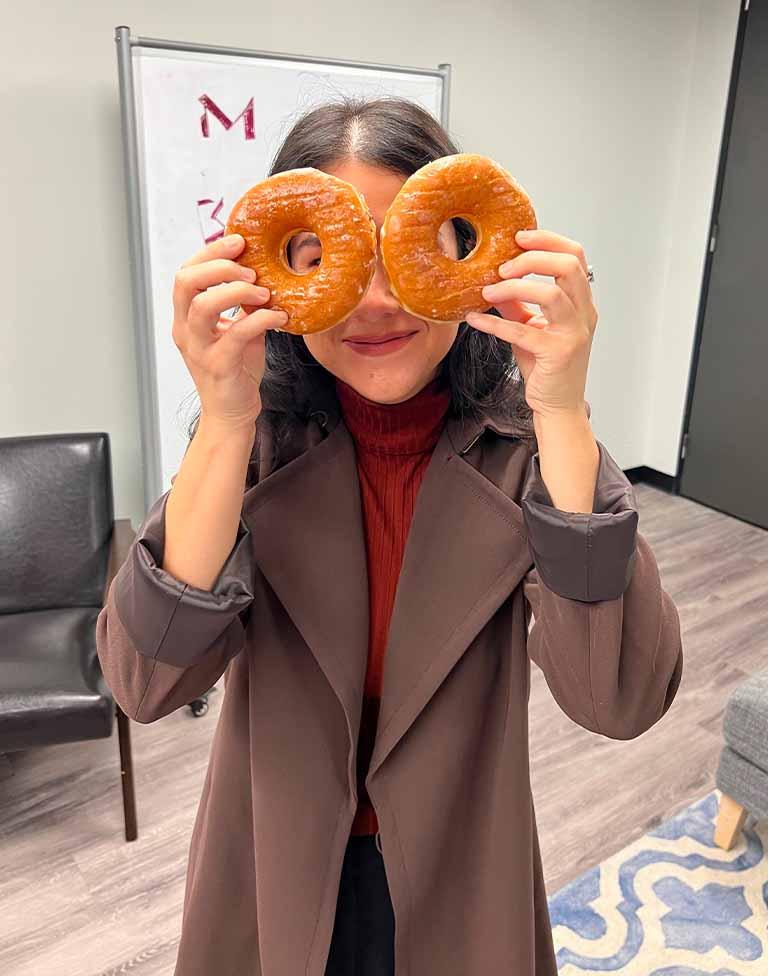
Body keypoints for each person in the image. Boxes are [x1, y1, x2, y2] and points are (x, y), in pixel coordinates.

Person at [96, 95, 683, 976]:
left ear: (469, 250)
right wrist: (221, 420)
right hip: (270, 863)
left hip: (461, 871)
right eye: (323, 257)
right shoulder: (257, 444)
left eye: (408, 253)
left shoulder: (526, 454)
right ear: (271, 277)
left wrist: (561, 406)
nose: (374, 299)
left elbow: (619, 700)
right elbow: (145, 684)